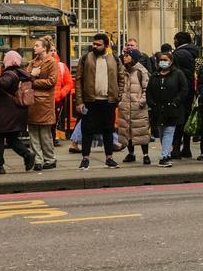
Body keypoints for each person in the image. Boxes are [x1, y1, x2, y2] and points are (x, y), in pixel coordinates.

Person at [73, 33, 121, 170]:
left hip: (108, 100)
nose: (95, 46)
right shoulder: (85, 58)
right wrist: (80, 101)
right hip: (90, 101)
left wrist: (119, 96)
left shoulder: (114, 59)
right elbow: (79, 81)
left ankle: (109, 158)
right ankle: (85, 159)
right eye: (93, 44)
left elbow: (121, 78)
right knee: (87, 130)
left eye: (98, 44)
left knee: (108, 130)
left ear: (106, 45)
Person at [0, 50, 36, 174]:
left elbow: (4, 83)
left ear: (9, 60)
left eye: (5, 58)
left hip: (6, 111)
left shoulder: (10, 73)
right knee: (12, 138)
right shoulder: (21, 73)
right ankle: (27, 154)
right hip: (18, 111)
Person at [146, 50, 188, 167]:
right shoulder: (155, 75)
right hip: (158, 109)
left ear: (171, 61)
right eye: (161, 60)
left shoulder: (178, 74)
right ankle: (167, 153)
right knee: (162, 133)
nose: (163, 62)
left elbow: (184, 90)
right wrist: (152, 104)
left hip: (172, 109)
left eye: (165, 60)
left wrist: (176, 102)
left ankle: (164, 156)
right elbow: (149, 91)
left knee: (169, 132)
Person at [26, 37, 58, 170]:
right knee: (33, 132)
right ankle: (37, 160)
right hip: (33, 101)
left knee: (45, 133)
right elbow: (25, 78)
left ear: (44, 48)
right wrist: (31, 76)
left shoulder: (51, 62)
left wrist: (34, 81)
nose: (34, 47)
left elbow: (51, 81)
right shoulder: (32, 62)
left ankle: (49, 159)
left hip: (44, 102)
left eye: (37, 45)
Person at [118, 48, 152, 164]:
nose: (124, 58)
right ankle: (131, 154)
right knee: (127, 132)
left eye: (127, 56)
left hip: (138, 107)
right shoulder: (122, 70)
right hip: (125, 106)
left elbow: (147, 88)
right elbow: (120, 86)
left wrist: (141, 102)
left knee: (141, 131)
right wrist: (120, 100)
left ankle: (145, 155)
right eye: (124, 55)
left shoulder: (141, 71)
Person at [172, 31, 200, 159]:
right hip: (189, 90)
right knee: (186, 119)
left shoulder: (179, 54)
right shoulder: (191, 52)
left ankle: (176, 149)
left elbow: (174, 73)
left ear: (178, 40)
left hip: (179, 91)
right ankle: (187, 148)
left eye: (175, 39)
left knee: (178, 120)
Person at [53, 44, 74, 144]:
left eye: (54, 50)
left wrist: (61, 93)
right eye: (50, 50)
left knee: (54, 120)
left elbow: (69, 83)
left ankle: (52, 138)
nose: (53, 52)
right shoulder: (39, 64)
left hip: (57, 99)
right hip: (43, 100)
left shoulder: (61, 66)